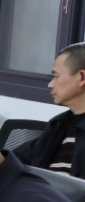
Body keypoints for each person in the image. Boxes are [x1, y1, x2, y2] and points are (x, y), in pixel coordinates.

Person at [14, 43, 85, 176]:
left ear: (82, 77)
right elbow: (16, 158)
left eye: (56, 76)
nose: (50, 84)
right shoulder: (59, 124)